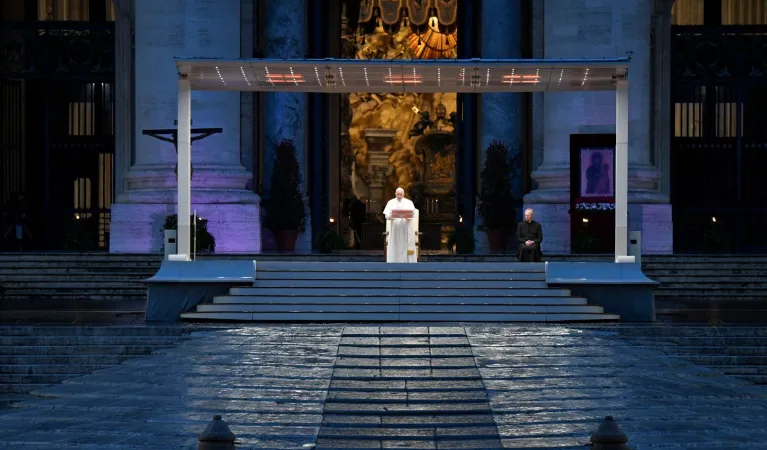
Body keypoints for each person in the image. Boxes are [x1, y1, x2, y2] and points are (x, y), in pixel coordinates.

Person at [383, 187, 418, 263]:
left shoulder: (409, 202)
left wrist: (407, 216)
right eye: (397, 194)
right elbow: (386, 216)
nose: (399, 196)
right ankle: (394, 261)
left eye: (400, 194)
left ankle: (407, 262)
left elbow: (413, 214)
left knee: (405, 245)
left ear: (404, 194)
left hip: (406, 229)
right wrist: (393, 215)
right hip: (395, 230)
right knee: (396, 245)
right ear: (395, 194)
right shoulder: (390, 202)